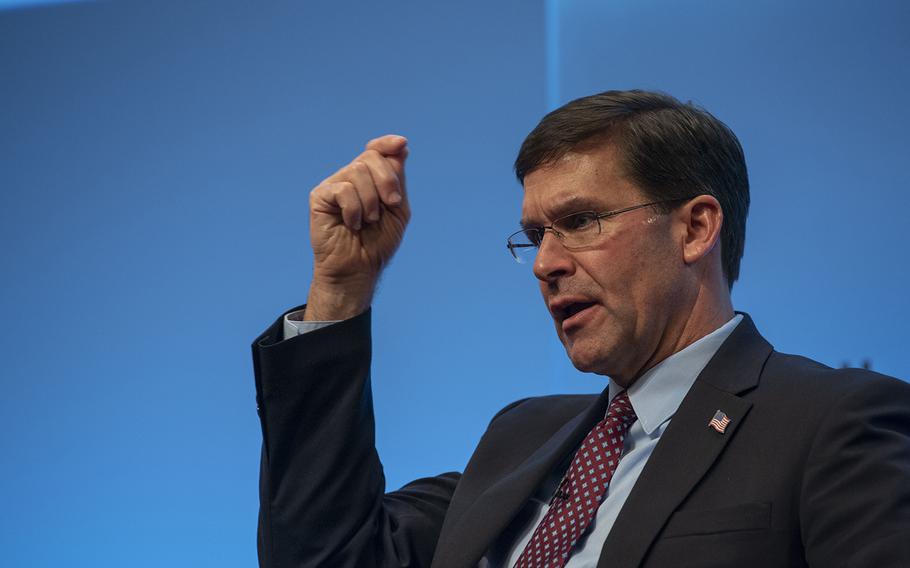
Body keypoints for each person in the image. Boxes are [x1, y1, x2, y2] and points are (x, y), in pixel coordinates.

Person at [251, 90, 910, 567]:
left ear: (695, 227)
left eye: (582, 221)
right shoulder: (521, 438)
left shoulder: (833, 422)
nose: (546, 264)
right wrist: (341, 290)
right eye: (536, 235)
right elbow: (322, 555)